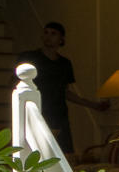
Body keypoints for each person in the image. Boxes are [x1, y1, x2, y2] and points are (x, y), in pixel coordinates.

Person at [15, 22, 111, 157]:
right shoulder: (29, 58)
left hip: (58, 113)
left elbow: (65, 92)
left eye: (53, 34)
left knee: (63, 154)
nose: (48, 36)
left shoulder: (64, 64)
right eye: (46, 32)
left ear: (61, 39)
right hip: (35, 110)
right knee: (36, 152)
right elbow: (14, 83)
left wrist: (92, 105)